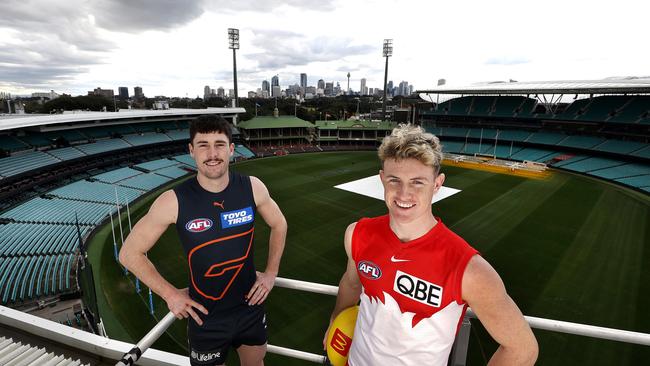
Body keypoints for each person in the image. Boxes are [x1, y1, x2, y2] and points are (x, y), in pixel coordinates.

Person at [325, 124, 537, 365]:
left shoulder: (469, 269)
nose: (404, 194)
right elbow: (351, 283)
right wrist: (335, 320)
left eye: (417, 182)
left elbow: (522, 349)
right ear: (382, 179)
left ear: (437, 184)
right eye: (395, 180)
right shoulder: (357, 234)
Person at [120, 115, 287, 366]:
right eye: (203, 145)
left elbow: (279, 224)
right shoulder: (173, 200)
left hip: (250, 309)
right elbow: (129, 253)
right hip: (204, 318)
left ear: (231, 149)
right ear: (191, 150)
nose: (212, 153)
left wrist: (271, 272)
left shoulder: (253, 187)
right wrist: (170, 294)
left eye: (219, 144)